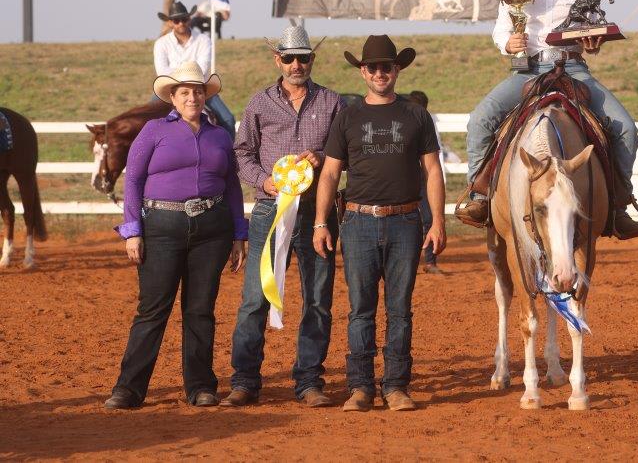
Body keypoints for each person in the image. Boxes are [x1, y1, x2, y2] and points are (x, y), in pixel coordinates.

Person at [455, 0, 638, 238]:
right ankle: (479, 195)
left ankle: (618, 203)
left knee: (626, 127)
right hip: (527, 69)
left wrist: (593, 43)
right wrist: (509, 43)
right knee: (481, 118)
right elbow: (500, 30)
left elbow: (592, 34)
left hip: (572, 67)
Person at [313, 35, 446, 412]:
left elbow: (433, 170)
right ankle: (360, 387)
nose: (380, 72)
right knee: (361, 309)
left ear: (397, 70)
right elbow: (330, 174)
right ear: (362, 71)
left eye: (386, 66)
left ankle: (396, 386)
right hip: (358, 221)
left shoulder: (416, 116)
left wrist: (437, 220)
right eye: (373, 66)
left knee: (400, 309)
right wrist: (320, 222)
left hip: (405, 220)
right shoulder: (348, 117)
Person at [104, 61, 247, 410]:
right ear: (172, 96)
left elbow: (231, 185)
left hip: (212, 230)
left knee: (200, 310)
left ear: (206, 96)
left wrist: (239, 233)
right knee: (153, 309)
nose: (192, 97)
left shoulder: (219, 135)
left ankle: (200, 386)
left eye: (198, 91)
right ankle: (129, 388)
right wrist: (132, 231)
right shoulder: (153, 131)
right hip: (161, 228)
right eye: (185, 91)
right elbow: (133, 181)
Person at [223, 25, 345, 408]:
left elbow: (346, 154)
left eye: (304, 58)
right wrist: (265, 181)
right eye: (290, 58)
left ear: (312, 60)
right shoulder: (259, 103)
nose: (297, 64)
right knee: (255, 298)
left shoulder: (333, 102)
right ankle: (244, 380)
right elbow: (241, 153)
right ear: (278, 60)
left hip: (317, 212)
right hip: (268, 211)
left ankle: (309, 380)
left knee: (318, 298)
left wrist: (322, 158)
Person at [153, 1, 236, 139]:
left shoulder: (203, 40)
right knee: (145, 119)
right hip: (170, 88)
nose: (181, 23)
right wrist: (187, 73)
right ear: (170, 23)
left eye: (184, 19)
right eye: (176, 20)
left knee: (228, 119)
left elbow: (202, 68)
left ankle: (231, 156)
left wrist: (178, 73)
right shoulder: (161, 43)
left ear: (189, 19)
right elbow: (162, 71)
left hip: (199, 87)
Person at [408, 90, 444, 274]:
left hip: (423, 179)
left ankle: (430, 261)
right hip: (407, 179)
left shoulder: (426, 125)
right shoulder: (403, 124)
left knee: (429, 219)